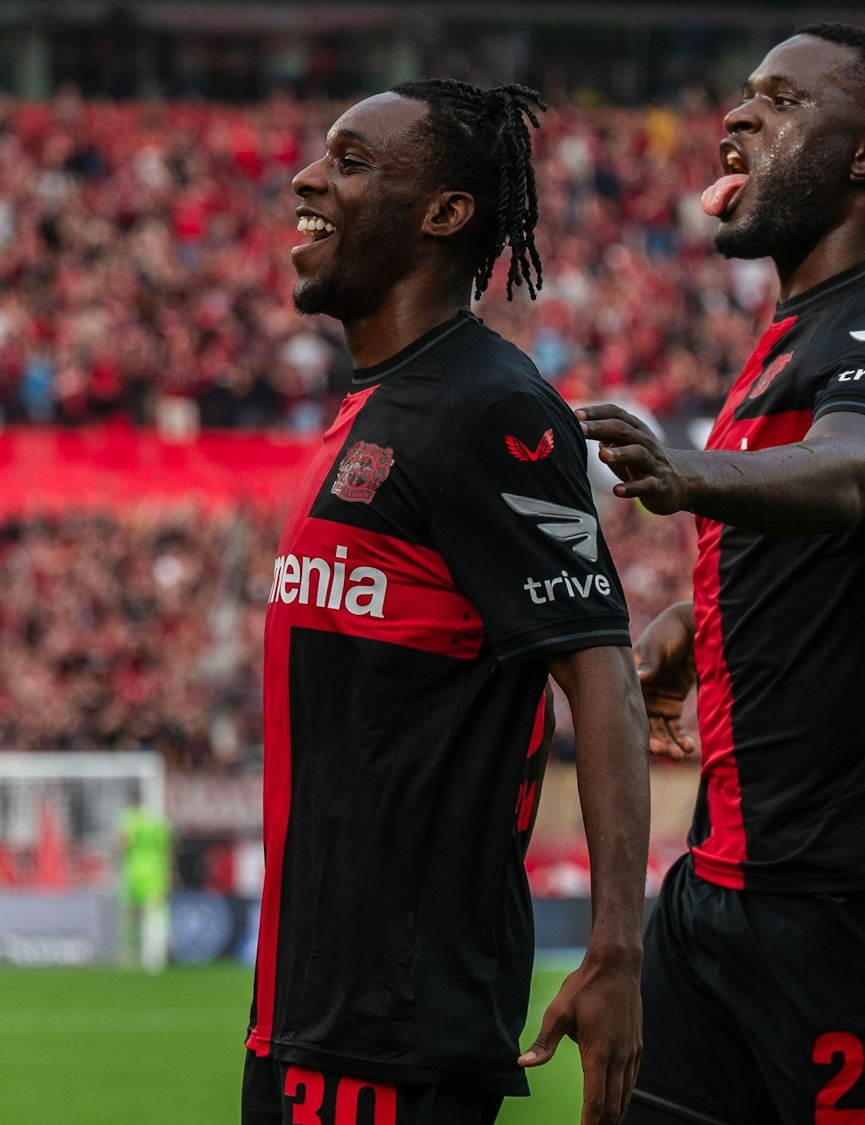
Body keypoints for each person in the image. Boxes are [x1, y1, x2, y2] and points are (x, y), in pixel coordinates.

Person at [576, 24, 865, 1125]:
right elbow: (853, 545)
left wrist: (687, 475)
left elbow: (850, 473)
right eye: (744, 94)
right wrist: (707, 611)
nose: (735, 117)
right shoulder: (801, 327)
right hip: (730, 877)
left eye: (777, 100)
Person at [243, 81, 656, 1125]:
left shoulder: (488, 405)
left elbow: (595, 668)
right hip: (305, 1020)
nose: (305, 179)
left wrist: (614, 950)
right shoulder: (379, 405)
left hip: (397, 1040)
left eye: (349, 160)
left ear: (443, 213)